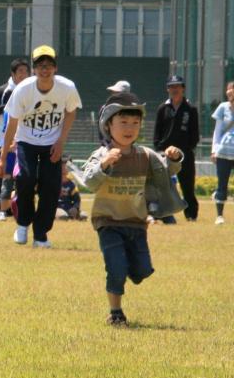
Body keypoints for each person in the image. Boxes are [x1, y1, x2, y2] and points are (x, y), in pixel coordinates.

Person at [81, 92, 183, 326]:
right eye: (123, 122)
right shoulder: (101, 155)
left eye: (135, 123)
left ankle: (130, 270)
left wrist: (175, 158)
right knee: (116, 268)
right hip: (108, 223)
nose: (130, 128)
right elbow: (89, 181)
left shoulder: (145, 156)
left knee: (142, 271)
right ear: (108, 126)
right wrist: (105, 164)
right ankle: (115, 312)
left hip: (136, 222)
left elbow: (168, 170)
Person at [0, 45, 80, 248]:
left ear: (56, 68)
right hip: (26, 140)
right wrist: (2, 159)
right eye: (41, 65)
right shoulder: (23, 89)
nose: (45, 70)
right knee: (25, 178)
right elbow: (12, 123)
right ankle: (23, 224)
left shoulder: (67, 87)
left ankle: (41, 235)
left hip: (52, 143)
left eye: (49, 65)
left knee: (51, 187)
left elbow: (71, 112)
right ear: (34, 69)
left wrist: (61, 141)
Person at [152, 75, 200, 223]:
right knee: (161, 186)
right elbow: (157, 132)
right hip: (164, 155)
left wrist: (185, 149)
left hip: (185, 154)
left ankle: (191, 215)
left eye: (177, 86)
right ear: (167, 89)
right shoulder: (162, 108)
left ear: (183, 89)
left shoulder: (190, 109)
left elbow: (195, 134)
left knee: (187, 187)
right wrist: (160, 150)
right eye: (171, 87)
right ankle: (161, 214)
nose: (174, 89)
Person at [0, 58, 28, 216]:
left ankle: (13, 209)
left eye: (26, 71)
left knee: (21, 177)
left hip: (24, 142)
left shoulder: (31, 90)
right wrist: (13, 106)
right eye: (20, 72)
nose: (23, 75)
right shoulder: (3, 90)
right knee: (1, 176)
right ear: (13, 74)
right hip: (3, 142)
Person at [211, 80, 234, 225]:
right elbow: (217, 131)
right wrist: (214, 150)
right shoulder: (222, 107)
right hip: (224, 152)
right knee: (222, 184)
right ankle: (219, 215)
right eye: (230, 90)